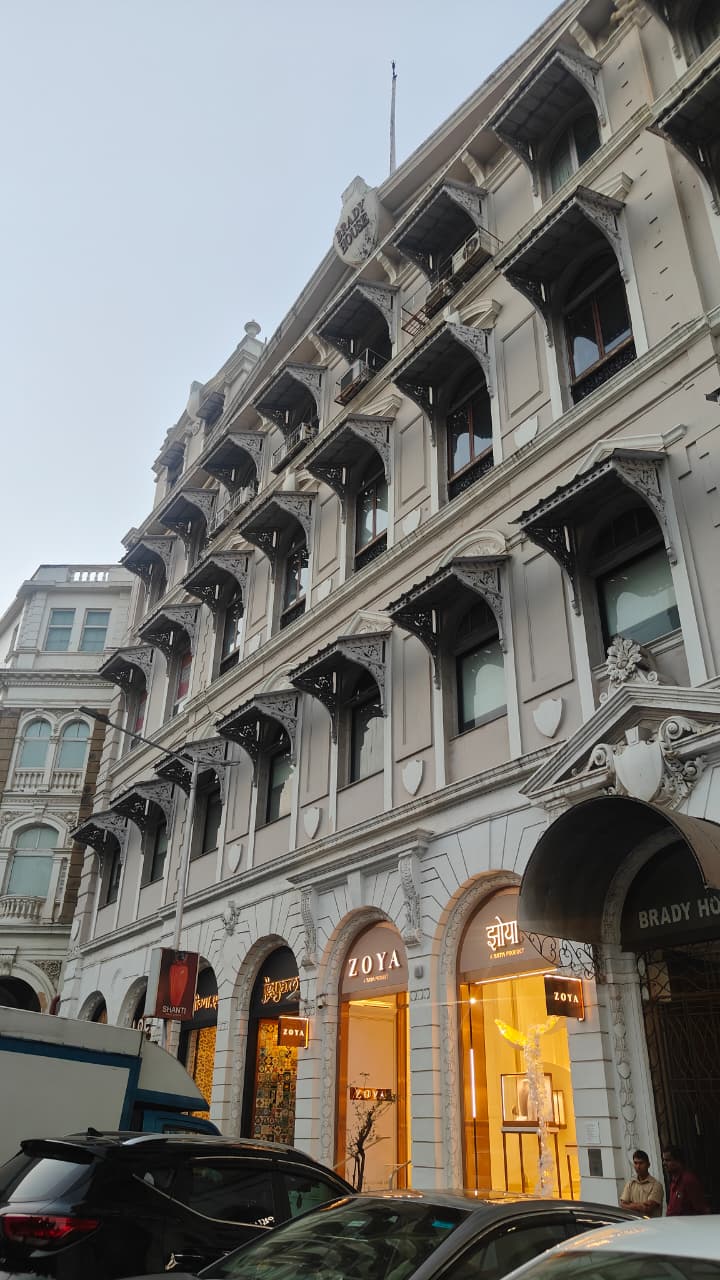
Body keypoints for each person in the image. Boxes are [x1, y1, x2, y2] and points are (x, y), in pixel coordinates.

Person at [663, 1145, 708, 1215]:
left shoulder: (688, 1180)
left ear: (678, 1161)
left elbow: (701, 1209)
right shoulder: (673, 1181)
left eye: (668, 1160)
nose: (664, 1163)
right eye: (664, 1160)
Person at [619, 1149, 664, 1217]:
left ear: (648, 1165)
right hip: (634, 1225)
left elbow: (647, 1208)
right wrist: (640, 1205)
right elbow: (622, 1205)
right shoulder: (630, 1184)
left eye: (641, 1163)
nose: (638, 1167)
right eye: (635, 1163)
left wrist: (630, 1204)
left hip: (651, 1225)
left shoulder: (656, 1185)